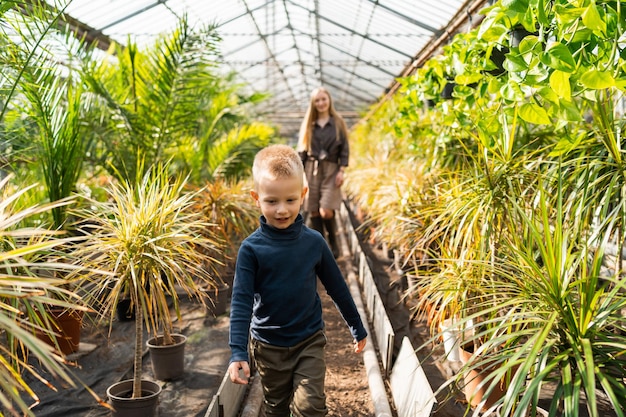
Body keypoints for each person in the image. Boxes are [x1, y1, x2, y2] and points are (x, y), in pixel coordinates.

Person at [227, 144, 367, 417]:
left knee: (309, 406)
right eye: (271, 201)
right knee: (276, 407)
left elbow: (337, 287)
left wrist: (356, 325)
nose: (281, 210)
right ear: (256, 198)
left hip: (309, 340)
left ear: (303, 195)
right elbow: (241, 301)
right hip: (268, 346)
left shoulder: (313, 242)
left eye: (290, 200)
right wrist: (237, 352)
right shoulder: (251, 249)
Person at [297, 87, 350, 258]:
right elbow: (302, 151)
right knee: (312, 210)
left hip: (331, 169)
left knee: (325, 210)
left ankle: (334, 243)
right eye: (317, 100)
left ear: (329, 100)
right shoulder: (309, 124)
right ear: (313, 103)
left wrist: (341, 170)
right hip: (311, 169)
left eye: (323, 99)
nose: (320, 103)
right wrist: (301, 175)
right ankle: (322, 248)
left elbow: (344, 148)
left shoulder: (337, 122)